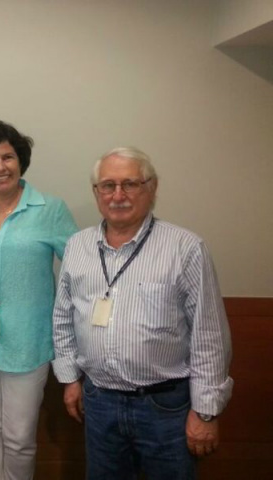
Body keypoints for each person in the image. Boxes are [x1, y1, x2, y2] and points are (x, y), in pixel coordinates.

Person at [52, 146, 233, 479]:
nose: (117, 195)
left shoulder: (185, 248)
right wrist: (70, 380)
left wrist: (205, 413)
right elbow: (63, 316)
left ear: (152, 188)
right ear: (96, 192)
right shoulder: (77, 246)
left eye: (130, 184)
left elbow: (209, 335)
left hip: (165, 407)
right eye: (107, 185)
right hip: (99, 401)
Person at [0, 120, 78, 480]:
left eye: (7, 157)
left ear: (20, 161)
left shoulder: (50, 208)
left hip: (29, 340)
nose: (0, 167)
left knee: (20, 436)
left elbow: (77, 270)